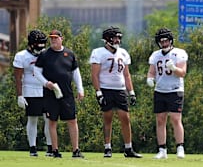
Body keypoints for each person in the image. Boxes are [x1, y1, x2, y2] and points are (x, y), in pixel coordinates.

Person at [90, 27, 141, 158]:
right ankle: (107, 147)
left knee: (125, 118)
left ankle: (128, 148)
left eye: (119, 37)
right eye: (114, 37)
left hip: (120, 89)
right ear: (107, 39)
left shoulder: (123, 53)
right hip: (106, 89)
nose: (117, 40)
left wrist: (132, 92)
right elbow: (94, 75)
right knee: (108, 118)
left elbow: (127, 74)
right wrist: (98, 92)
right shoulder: (98, 52)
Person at [33, 29, 85, 158]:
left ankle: (76, 150)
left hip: (66, 93)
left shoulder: (69, 54)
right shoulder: (44, 55)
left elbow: (75, 73)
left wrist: (80, 88)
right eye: (52, 38)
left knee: (72, 120)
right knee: (52, 121)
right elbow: (37, 72)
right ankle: (55, 150)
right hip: (51, 93)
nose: (53, 40)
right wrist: (46, 83)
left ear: (61, 39)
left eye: (56, 38)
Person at [147, 28, 188, 159]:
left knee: (176, 119)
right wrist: (150, 78)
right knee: (160, 120)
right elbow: (152, 71)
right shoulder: (155, 55)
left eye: (166, 40)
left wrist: (174, 68)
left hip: (175, 89)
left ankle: (180, 147)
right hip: (160, 90)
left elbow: (182, 73)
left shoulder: (179, 53)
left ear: (170, 40)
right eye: (161, 41)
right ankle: (162, 149)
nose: (164, 43)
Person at [13, 29, 53, 157]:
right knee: (33, 119)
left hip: (46, 90)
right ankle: (32, 147)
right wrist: (20, 95)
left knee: (49, 120)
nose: (40, 48)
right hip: (30, 90)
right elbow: (18, 77)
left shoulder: (47, 54)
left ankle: (50, 147)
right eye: (37, 44)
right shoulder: (21, 56)